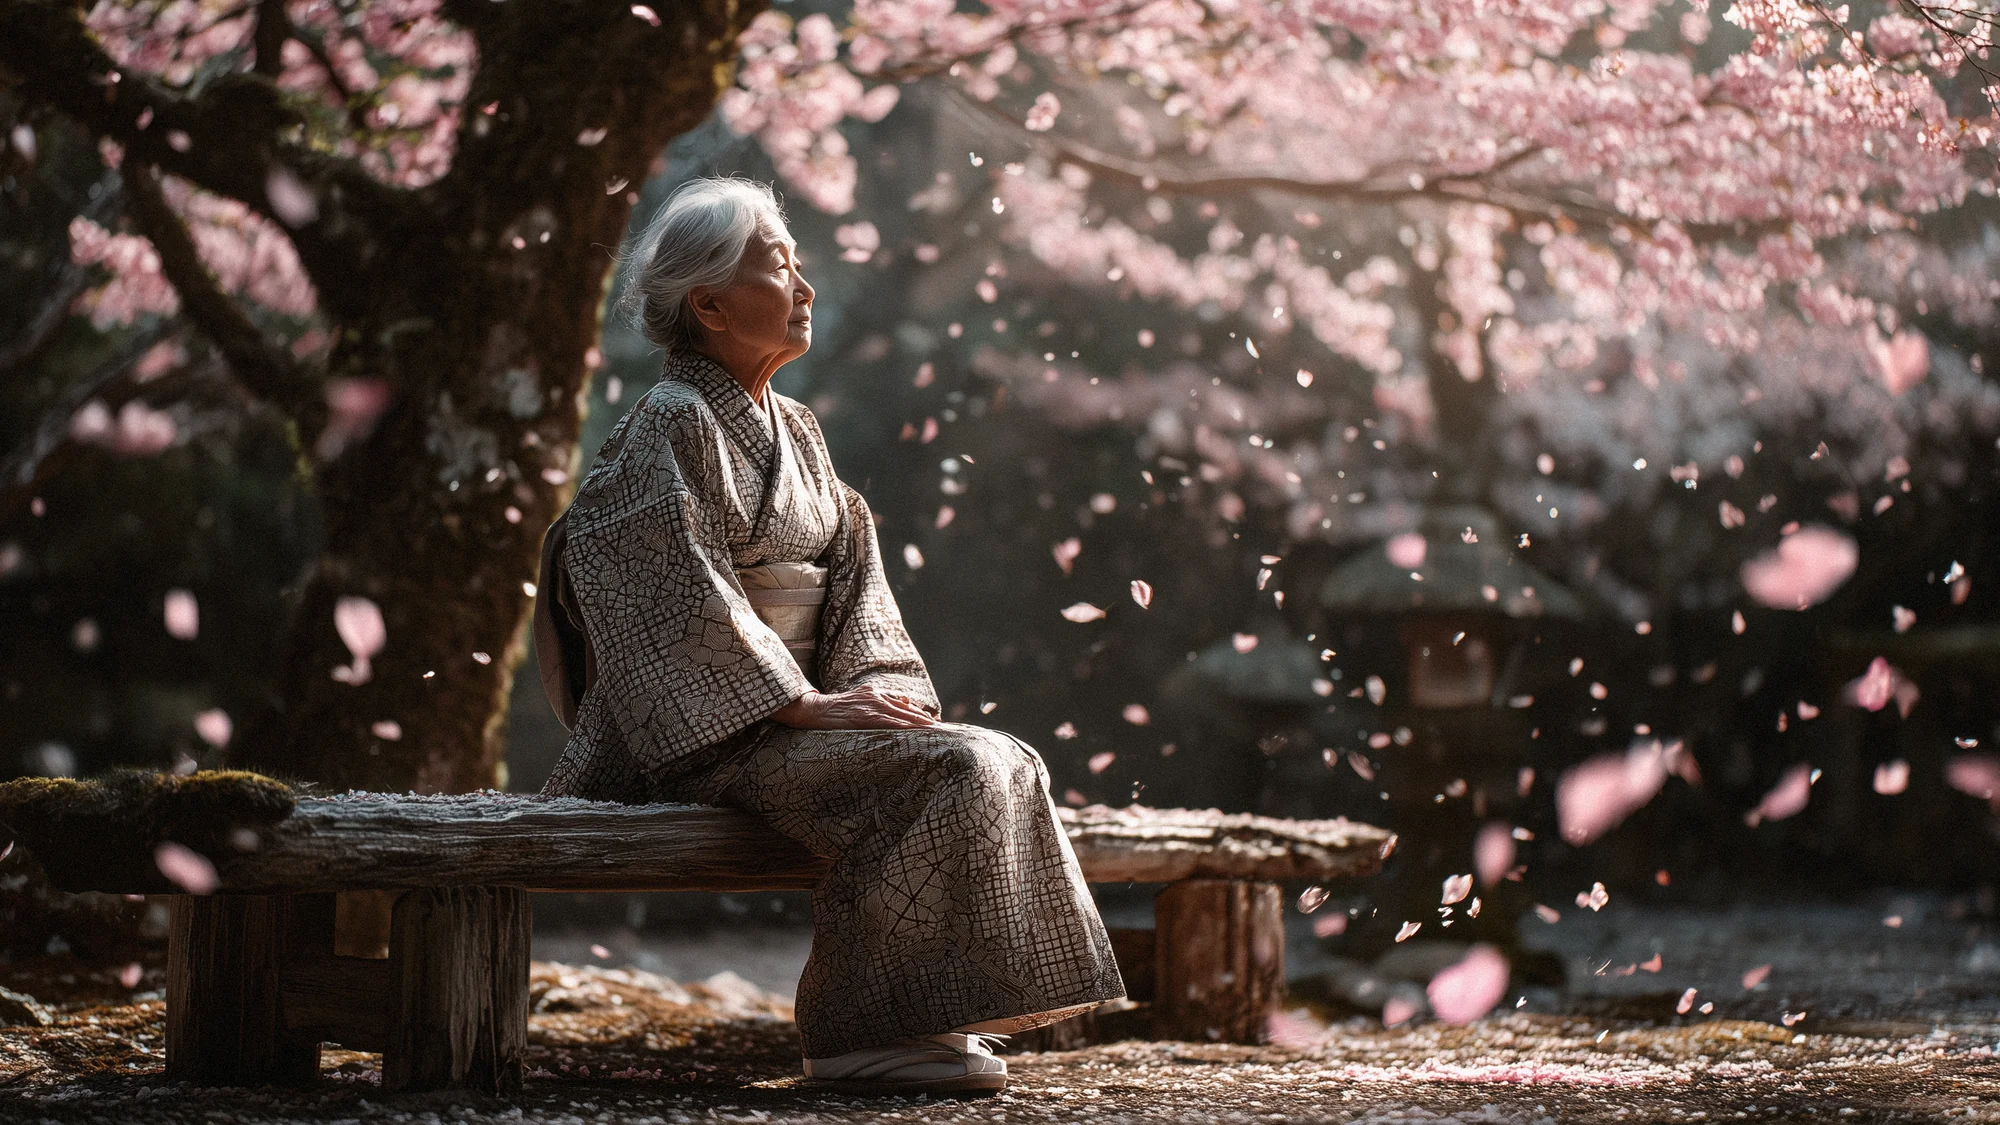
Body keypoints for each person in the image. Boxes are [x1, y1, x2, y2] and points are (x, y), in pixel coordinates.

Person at [532, 177, 1125, 1096]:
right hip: (697, 737)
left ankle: (929, 1014)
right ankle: (855, 1032)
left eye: (799, 264)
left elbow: (855, 577)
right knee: (954, 767)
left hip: (786, 722)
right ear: (711, 304)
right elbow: (662, 590)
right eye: (778, 265)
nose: (804, 287)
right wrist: (800, 701)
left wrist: (873, 693)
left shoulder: (799, 430)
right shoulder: (669, 424)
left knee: (995, 753)